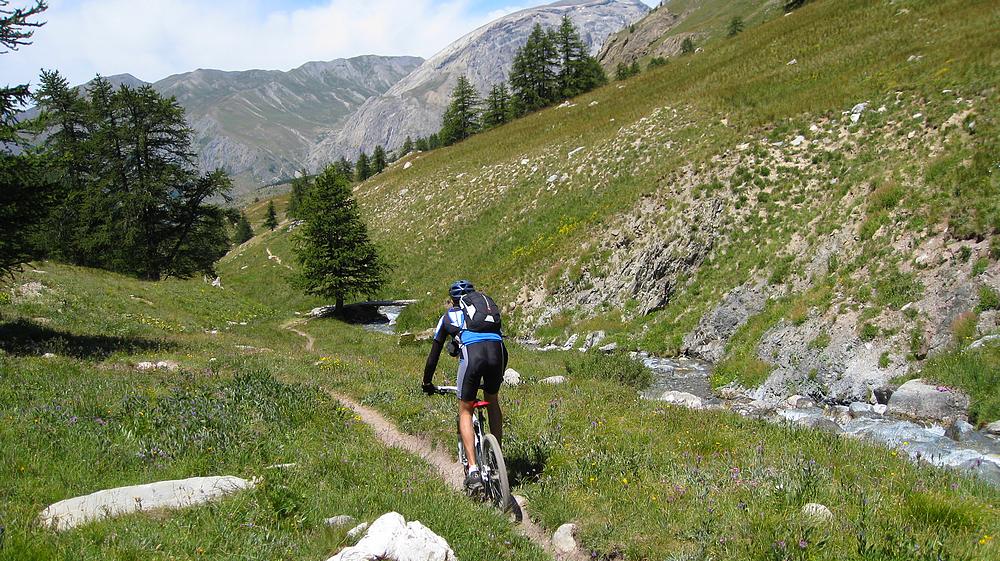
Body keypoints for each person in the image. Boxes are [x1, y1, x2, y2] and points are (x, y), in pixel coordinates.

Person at [422, 280, 507, 491]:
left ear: (452, 300)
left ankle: (473, 469)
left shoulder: (448, 316)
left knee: (466, 409)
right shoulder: (483, 312)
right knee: (492, 400)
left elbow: (434, 356)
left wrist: (427, 382)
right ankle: (497, 458)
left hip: (473, 356)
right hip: (498, 352)